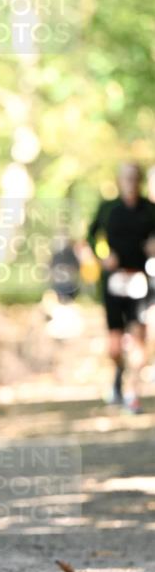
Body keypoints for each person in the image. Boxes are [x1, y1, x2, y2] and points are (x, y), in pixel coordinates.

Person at [87, 163, 155, 413]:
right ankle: (118, 371)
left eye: (135, 178)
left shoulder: (150, 210)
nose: (131, 182)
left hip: (140, 280)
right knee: (115, 346)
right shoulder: (108, 209)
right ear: (119, 180)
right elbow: (91, 235)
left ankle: (132, 394)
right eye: (126, 178)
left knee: (139, 338)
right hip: (114, 281)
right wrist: (102, 257)